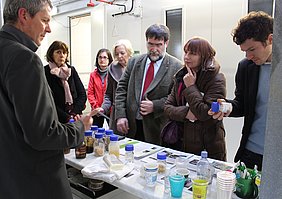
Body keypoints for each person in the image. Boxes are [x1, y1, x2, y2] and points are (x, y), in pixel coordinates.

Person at [0, 1, 94, 198]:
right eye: (44, 21)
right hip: (34, 180)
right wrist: (80, 128)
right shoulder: (25, 59)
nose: (49, 29)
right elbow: (42, 134)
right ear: (24, 15)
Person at [208, 11, 273, 170]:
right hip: (252, 151)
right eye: (245, 51)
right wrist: (227, 107)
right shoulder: (246, 67)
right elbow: (242, 104)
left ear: (270, 39)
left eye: (252, 49)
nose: (249, 56)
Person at [115, 24, 182, 145]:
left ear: (166, 43)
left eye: (158, 45)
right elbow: (121, 89)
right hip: (131, 126)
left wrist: (155, 105)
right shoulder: (134, 62)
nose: (154, 49)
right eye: (150, 44)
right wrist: (120, 115)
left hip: (156, 128)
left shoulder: (176, 67)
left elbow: (177, 99)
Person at [164, 37, 227, 161]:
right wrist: (186, 113)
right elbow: (167, 107)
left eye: (192, 53)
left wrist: (191, 87)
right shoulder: (182, 75)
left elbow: (204, 113)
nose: (186, 57)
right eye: (186, 52)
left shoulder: (216, 78)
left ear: (204, 56)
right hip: (181, 142)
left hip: (207, 146)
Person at [44, 40, 87, 123]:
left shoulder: (71, 70)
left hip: (75, 116)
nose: (62, 55)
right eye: (58, 52)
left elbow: (82, 94)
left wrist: (74, 112)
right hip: (55, 117)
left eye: (64, 52)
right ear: (51, 54)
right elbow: (47, 101)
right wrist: (66, 117)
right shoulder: (45, 71)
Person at [96, 39, 133, 134]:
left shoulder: (136, 67)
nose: (119, 56)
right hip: (117, 114)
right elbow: (109, 94)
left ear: (129, 53)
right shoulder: (112, 69)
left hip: (132, 113)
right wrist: (103, 108)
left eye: (122, 53)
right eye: (116, 54)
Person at [87, 48, 113, 127]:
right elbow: (90, 93)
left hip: (110, 110)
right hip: (97, 110)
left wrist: (109, 108)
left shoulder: (113, 74)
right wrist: (96, 107)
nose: (102, 60)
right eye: (100, 57)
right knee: (96, 132)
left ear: (109, 60)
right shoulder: (93, 75)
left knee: (114, 132)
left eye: (105, 57)